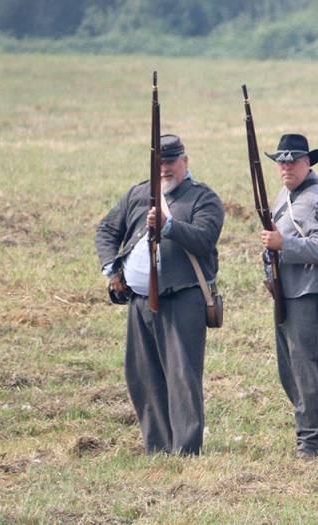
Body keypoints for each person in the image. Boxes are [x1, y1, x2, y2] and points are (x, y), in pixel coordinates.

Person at [94, 134, 224, 455]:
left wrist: (168, 226)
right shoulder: (139, 193)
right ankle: (157, 446)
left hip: (182, 298)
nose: (164, 169)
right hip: (139, 299)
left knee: (182, 376)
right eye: (159, 163)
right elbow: (107, 229)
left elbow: (204, 238)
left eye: (170, 162)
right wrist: (112, 271)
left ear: (185, 162)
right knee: (143, 374)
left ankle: (185, 448)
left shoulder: (202, 198)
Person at [260, 133, 318, 459]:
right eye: (281, 162)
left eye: (292, 161)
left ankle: (312, 438)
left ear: (308, 162)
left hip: (309, 292)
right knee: (289, 370)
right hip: (285, 291)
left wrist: (284, 246)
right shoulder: (285, 194)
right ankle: (309, 429)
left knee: (306, 368)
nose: (285, 167)